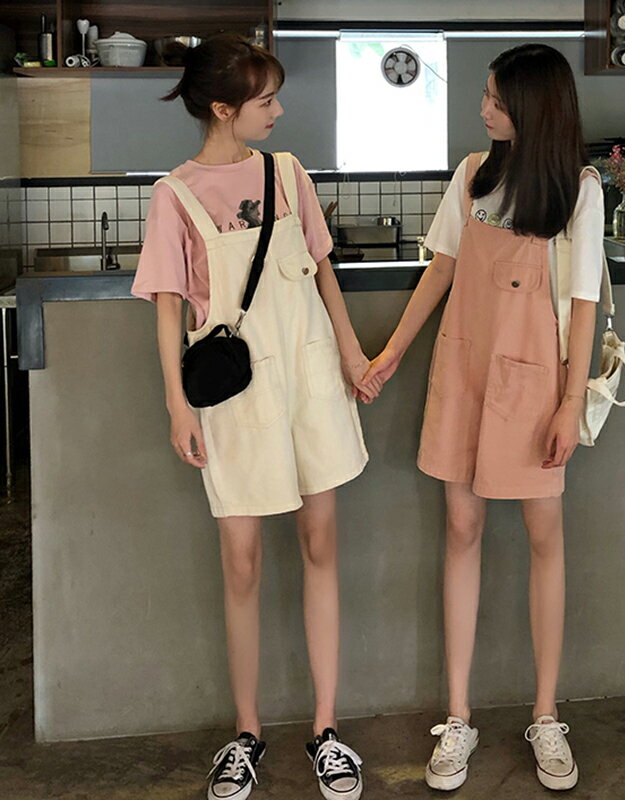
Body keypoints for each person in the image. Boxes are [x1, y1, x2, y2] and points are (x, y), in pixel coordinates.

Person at [131, 33, 379, 800]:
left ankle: (326, 728)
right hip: (235, 393)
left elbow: (322, 272)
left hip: (308, 376)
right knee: (241, 560)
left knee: (320, 542)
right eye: (265, 100)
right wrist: (176, 405)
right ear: (222, 108)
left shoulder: (288, 173)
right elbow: (167, 308)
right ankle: (246, 733)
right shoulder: (173, 196)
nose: (277, 111)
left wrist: (352, 356)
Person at [361, 43, 605, 792]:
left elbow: (584, 306)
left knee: (544, 539)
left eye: (496, 99)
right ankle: (458, 716)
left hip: (535, 388)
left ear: (533, 108)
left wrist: (570, 402)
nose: (483, 109)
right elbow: (442, 267)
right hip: (464, 373)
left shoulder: (579, 191)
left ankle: (546, 713)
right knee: (461, 531)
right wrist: (391, 353)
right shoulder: (472, 175)